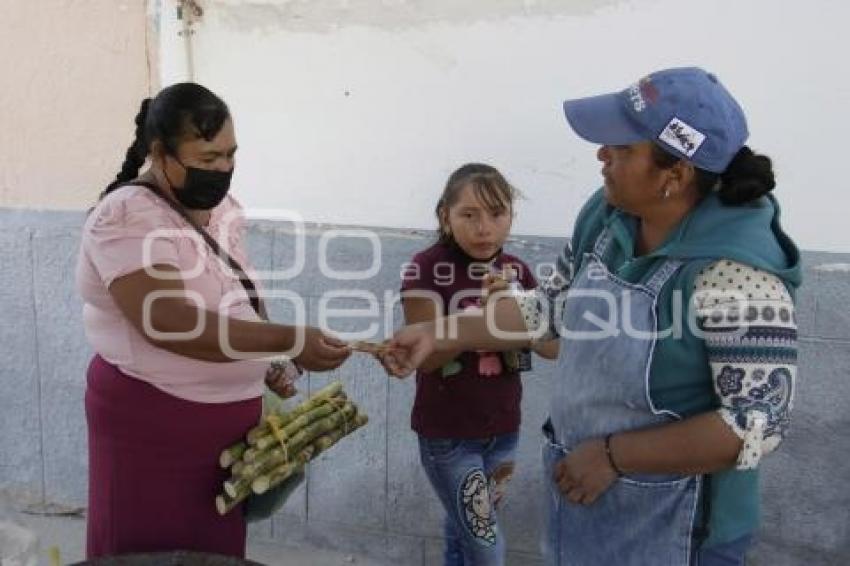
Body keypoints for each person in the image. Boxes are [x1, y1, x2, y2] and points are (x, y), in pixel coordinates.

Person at [382, 67, 801, 565]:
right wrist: (440, 332)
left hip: (679, 527)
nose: (602, 156)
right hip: (582, 494)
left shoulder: (737, 272)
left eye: (623, 149)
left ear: (676, 174)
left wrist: (613, 456)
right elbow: (550, 311)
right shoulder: (607, 218)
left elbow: (756, 424)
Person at [76, 83, 351, 558]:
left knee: (214, 553)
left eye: (230, 155)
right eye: (207, 158)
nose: (223, 169)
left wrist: (268, 360)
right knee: (149, 554)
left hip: (226, 432)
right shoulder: (126, 216)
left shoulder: (217, 209)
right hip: (153, 426)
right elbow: (169, 319)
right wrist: (287, 337)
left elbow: (235, 293)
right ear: (161, 153)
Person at [398, 163, 558, 566]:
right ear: (445, 217)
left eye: (497, 213)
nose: (484, 228)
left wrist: (516, 305)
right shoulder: (427, 266)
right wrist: (486, 318)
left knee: (463, 533)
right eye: (469, 215)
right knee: (486, 543)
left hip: (503, 431)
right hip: (449, 437)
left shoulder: (516, 272)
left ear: (511, 217)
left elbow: (553, 348)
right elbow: (428, 355)